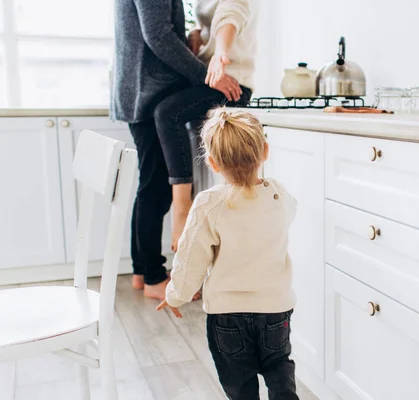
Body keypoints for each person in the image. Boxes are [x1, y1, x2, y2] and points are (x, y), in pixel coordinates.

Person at [111, 0, 256, 300]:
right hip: (148, 91)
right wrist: (205, 74)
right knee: (155, 188)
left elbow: (228, 14)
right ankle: (152, 278)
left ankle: (143, 271)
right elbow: (158, 35)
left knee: (150, 185)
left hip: (140, 90)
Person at [157, 108, 300, 400]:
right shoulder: (280, 197)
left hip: (227, 317)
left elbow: (190, 258)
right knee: (279, 369)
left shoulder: (210, 203)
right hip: (275, 310)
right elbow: (291, 211)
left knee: (239, 384)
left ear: (211, 162)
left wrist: (176, 295)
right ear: (265, 152)